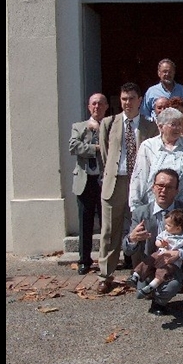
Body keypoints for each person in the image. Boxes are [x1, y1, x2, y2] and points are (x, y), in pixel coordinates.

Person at [122, 168, 183, 319]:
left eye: (169, 187)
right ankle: (158, 302)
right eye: (160, 185)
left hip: (180, 264)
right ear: (153, 187)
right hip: (152, 267)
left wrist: (180, 253)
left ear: (176, 191)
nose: (163, 190)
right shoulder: (141, 213)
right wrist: (132, 239)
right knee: (172, 285)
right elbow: (127, 251)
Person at [96, 82, 159, 294]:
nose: (127, 103)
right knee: (109, 231)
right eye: (124, 99)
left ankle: (140, 273)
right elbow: (105, 154)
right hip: (115, 182)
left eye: (131, 98)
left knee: (140, 230)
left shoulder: (150, 126)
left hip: (139, 184)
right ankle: (105, 275)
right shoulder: (109, 123)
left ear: (140, 101)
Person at [129, 107, 183, 212]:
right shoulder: (148, 146)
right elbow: (139, 178)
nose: (177, 128)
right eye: (173, 124)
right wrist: (135, 207)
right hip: (157, 208)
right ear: (161, 127)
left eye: (179, 124)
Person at [69, 92, 109, 275]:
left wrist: (100, 131)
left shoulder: (111, 126)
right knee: (85, 222)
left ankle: (107, 259)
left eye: (100, 104)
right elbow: (73, 147)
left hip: (105, 180)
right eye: (93, 103)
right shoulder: (79, 127)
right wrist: (95, 147)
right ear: (88, 107)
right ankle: (84, 260)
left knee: (107, 222)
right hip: (85, 180)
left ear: (106, 107)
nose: (96, 107)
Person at [127, 208, 183, 299]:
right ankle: (136, 275)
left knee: (164, 271)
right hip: (159, 254)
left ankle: (152, 286)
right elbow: (158, 240)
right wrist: (161, 244)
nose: (165, 226)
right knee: (149, 260)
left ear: (178, 228)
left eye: (168, 225)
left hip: (172, 261)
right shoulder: (166, 233)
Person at [140, 58, 183, 122]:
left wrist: (179, 122)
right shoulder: (151, 91)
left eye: (170, 72)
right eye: (165, 71)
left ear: (174, 73)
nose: (167, 74)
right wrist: (154, 122)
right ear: (159, 73)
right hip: (155, 127)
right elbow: (144, 114)